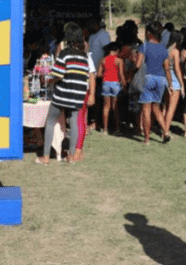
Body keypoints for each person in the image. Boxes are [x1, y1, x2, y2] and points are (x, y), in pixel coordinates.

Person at [40, 22, 94, 164]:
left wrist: (50, 80)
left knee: (50, 121)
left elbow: (58, 74)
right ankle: (71, 157)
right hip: (78, 95)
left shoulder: (64, 54)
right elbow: (87, 76)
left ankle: (45, 157)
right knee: (74, 123)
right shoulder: (84, 57)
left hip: (63, 93)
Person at [135, 21, 170, 145]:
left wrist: (134, 59)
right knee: (157, 108)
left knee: (146, 110)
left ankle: (147, 139)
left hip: (148, 78)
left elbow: (138, 64)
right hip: (161, 79)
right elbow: (166, 67)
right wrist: (169, 83)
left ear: (149, 33)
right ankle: (165, 132)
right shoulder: (163, 48)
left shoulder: (144, 46)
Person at [163, 33, 185, 138]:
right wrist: (182, 84)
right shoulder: (175, 51)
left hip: (165, 79)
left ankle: (162, 127)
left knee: (165, 107)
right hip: (174, 80)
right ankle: (166, 131)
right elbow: (177, 68)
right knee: (171, 109)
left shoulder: (165, 50)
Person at [99, 42, 124, 135]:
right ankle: (117, 128)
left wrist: (106, 74)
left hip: (105, 83)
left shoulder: (103, 60)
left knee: (106, 107)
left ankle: (105, 129)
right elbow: (121, 74)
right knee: (115, 107)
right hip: (115, 83)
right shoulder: (119, 60)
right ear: (117, 50)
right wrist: (124, 84)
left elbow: (99, 74)